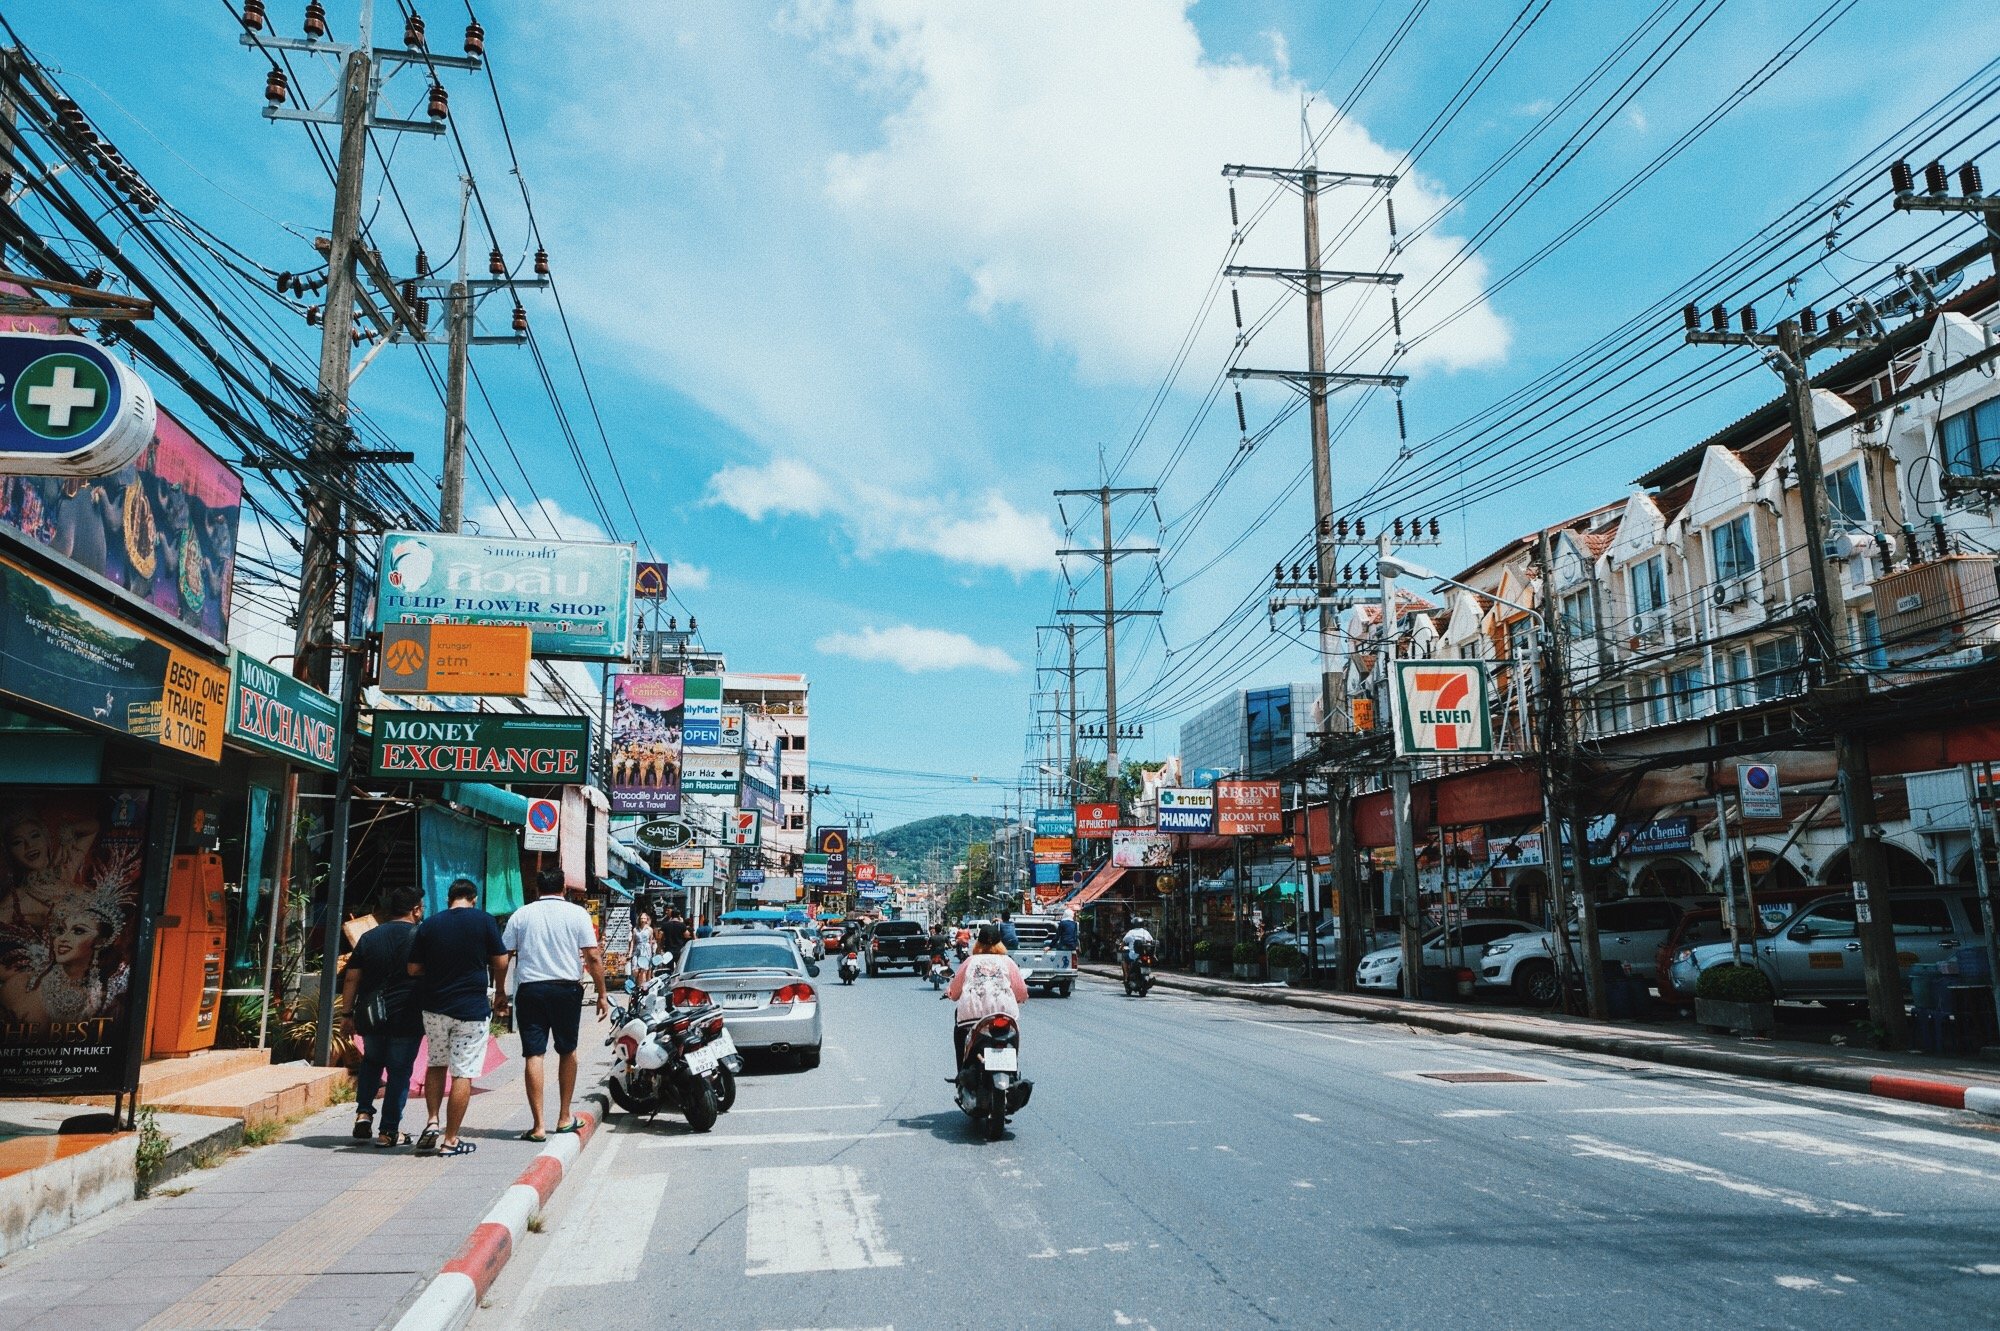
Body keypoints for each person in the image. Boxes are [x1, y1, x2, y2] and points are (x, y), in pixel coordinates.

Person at [501, 870, 609, 1142]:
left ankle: (538, 1126)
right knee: (567, 1051)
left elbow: (504, 956)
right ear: (564, 888)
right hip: (565, 990)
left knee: (534, 1054)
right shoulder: (577, 914)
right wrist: (602, 993)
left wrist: (500, 991)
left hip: (531, 990)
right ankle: (563, 1118)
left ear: (537, 889)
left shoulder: (521, 915)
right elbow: (593, 956)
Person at [407, 878, 508, 1158]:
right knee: (463, 1072)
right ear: (473, 899)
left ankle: (432, 1121)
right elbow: (501, 961)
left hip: (434, 1008)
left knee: (436, 1063)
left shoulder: (430, 924)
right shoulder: (484, 921)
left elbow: (413, 968)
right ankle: (450, 1140)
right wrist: (498, 987)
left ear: (448, 899)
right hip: (470, 1011)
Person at [339, 886, 424, 1148]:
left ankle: (364, 1113)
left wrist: (346, 1014)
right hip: (407, 1015)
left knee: (371, 1063)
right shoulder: (421, 937)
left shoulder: (369, 937)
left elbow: (352, 977)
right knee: (399, 1072)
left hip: (371, 1015)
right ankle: (388, 1131)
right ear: (415, 910)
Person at [945, 924, 1028, 1068]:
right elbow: (1021, 993)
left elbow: (955, 993)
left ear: (978, 943)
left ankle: (961, 1072)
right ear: (999, 943)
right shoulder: (1008, 961)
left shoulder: (970, 961)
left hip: (972, 1017)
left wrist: (950, 993)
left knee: (959, 1033)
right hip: (1005, 1015)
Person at [1120, 917, 1156, 985]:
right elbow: (1151, 941)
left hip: (1134, 955)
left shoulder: (1131, 932)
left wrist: (1121, 947)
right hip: (1145, 954)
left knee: (1124, 958)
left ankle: (1126, 976)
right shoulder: (1145, 932)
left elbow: (1124, 942)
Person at [630, 908, 657, 991]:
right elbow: (633, 941)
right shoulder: (635, 929)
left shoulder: (650, 929)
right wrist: (630, 952)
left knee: (643, 970)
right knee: (635, 970)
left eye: (644, 918)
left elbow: (650, 941)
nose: (643, 920)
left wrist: (652, 952)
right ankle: (638, 984)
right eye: (641, 918)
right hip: (637, 949)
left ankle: (641, 987)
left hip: (646, 950)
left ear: (647, 919)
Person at [658, 906, 689, 972]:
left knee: (669, 969)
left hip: (668, 949)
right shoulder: (682, 925)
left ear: (671, 915)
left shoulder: (665, 925)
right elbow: (687, 935)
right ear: (679, 916)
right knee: (679, 968)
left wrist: (660, 947)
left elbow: (659, 936)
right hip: (679, 950)